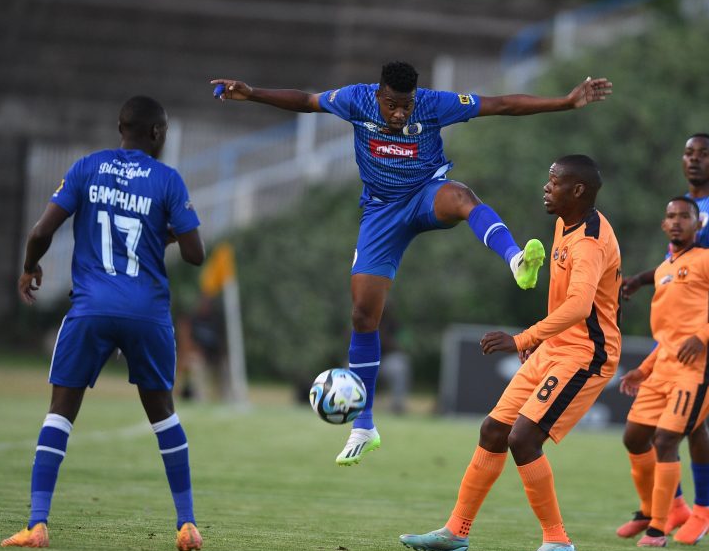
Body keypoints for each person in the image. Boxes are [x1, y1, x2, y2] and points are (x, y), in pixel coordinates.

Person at [211, 61, 613, 466]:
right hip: (381, 213)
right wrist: (253, 92)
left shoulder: (433, 105)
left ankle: (516, 261)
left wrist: (564, 101)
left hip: (425, 195)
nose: (400, 114)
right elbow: (308, 101)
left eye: (406, 105)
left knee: (460, 197)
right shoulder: (355, 99)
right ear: (378, 96)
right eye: (392, 105)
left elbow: (501, 104)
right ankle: (364, 425)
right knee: (363, 314)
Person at [2, 96, 207, 551]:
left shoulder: (86, 168)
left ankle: (37, 525)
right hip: (147, 315)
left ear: (121, 128)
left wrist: (30, 266)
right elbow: (196, 255)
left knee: (59, 414)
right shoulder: (167, 180)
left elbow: (40, 232)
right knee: (164, 416)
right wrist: (166, 233)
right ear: (156, 134)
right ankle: (187, 522)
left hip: (91, 309)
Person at [399, 155, 620, 551]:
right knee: (494, 431)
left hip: (586, 354)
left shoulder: (589, 241)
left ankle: (558, 543)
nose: (546, 187)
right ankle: (455, 532)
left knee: (523, 438)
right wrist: (541, 342)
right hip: (555, 347)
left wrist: (523, 339)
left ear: (578, 191)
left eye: (554, 182)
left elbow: (579, 306)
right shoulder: (564, 223)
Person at [618, 133, 709, 544]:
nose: (695, 160)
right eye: (688, 153)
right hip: (677, 333)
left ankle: (699, 510)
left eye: (704, 154)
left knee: (691, 425)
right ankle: (670, 507)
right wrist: (644, 280)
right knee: (679, 428)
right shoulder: (684, 207)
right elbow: (674, 265)